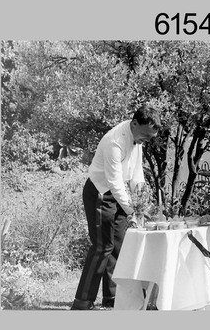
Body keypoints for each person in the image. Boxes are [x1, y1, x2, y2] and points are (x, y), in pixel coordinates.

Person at [71, 106, 161, 310]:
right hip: (100, 192)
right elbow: (115, 182)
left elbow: (136, 172)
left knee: (118, 246)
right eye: (145, 135)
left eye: (150, 136)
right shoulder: (115, 141)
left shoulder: (137, 138)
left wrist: (139, 197)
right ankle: (82, 302)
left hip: (118, 195)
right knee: (102, 247)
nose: (147, 139)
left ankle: (112, 298)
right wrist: (133, 212)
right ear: (135, 123)